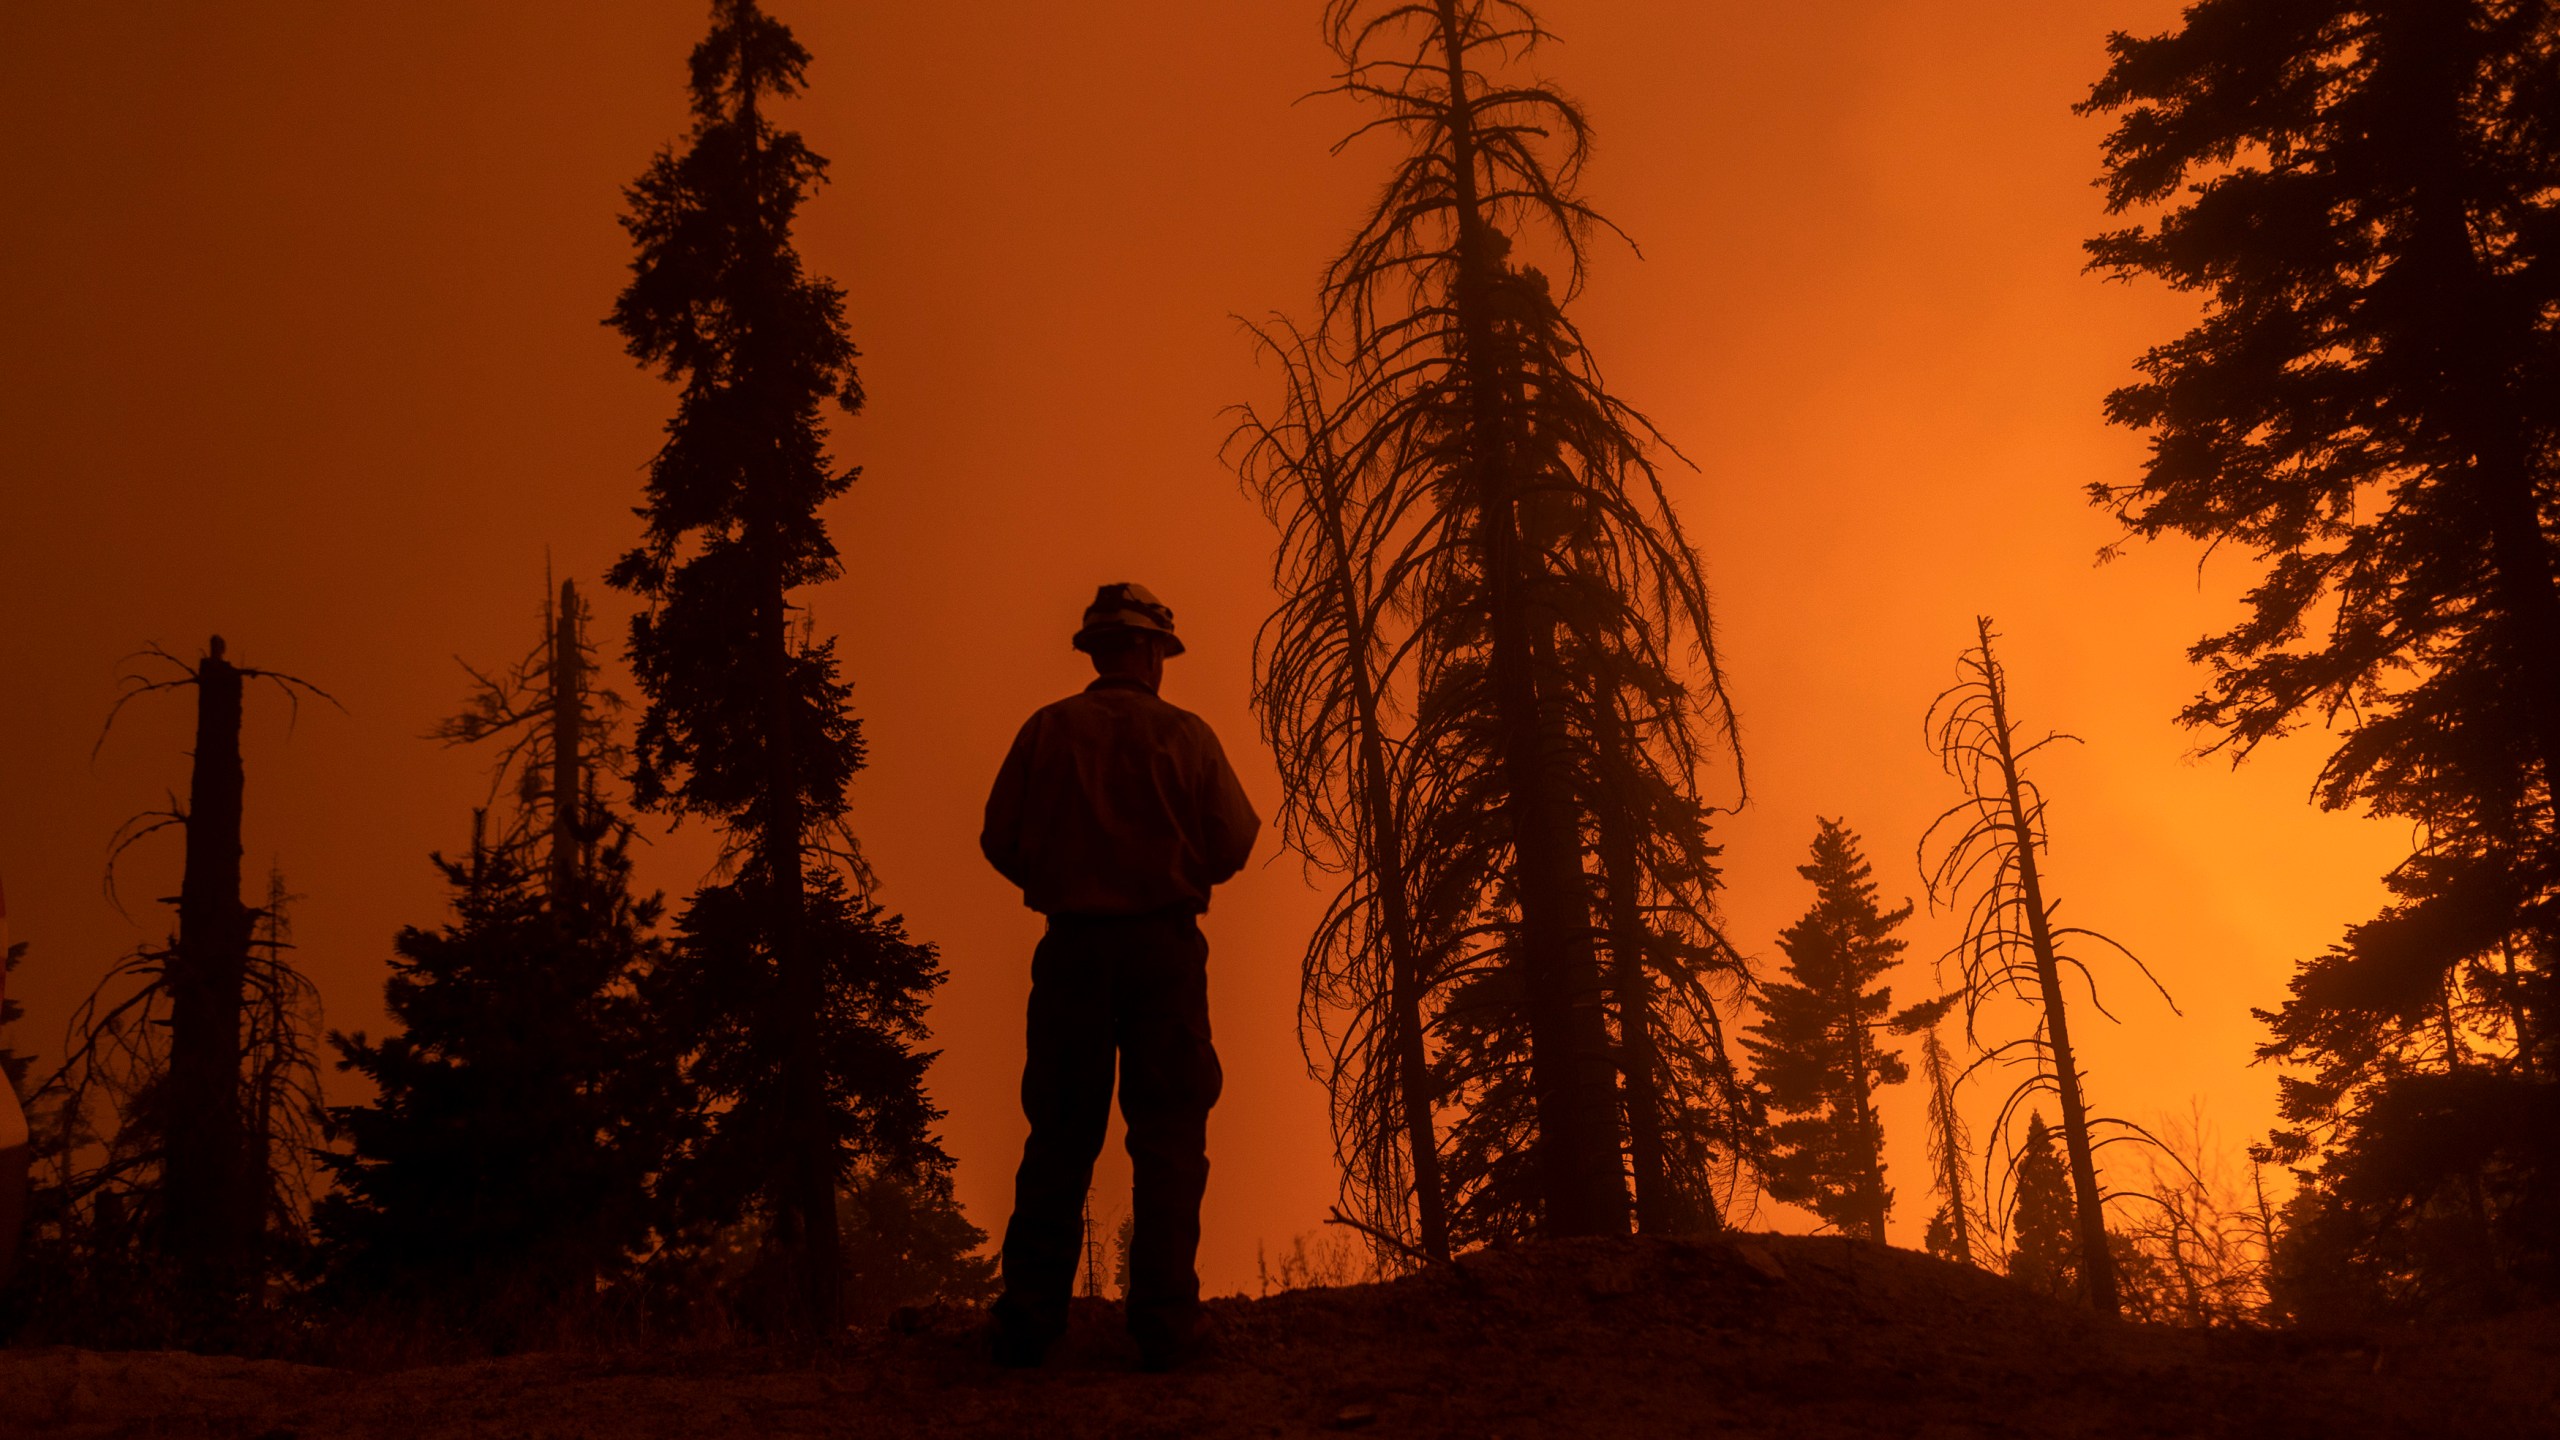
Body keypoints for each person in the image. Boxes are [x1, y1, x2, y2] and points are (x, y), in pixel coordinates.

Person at [980, 582, 1260, 1371]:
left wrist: (1064, 875)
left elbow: (1000, 839)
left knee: (1060, 1133)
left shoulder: (1046, 732)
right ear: (1147, 651)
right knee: (1169, 1133)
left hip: (1070, 950)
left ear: (1099, 650)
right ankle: (1166, 1325)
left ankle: (1029, 1324)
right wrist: (1168, 873)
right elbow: (1233, 840)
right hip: (1163, 954)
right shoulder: (1187, 738)